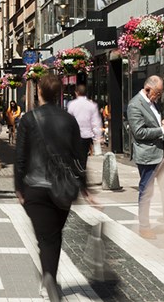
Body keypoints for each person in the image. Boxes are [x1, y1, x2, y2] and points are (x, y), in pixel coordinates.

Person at [15, 74, 86, 301]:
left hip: (35, 187)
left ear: (39, 93)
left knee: (46, 238)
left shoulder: (28, 119)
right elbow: (79, 157)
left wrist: (18, 187)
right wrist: (84, 186)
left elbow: (20, 157)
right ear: (58, 94)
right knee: (53, 236)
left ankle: (49, 279)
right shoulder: (69, 120)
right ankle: (49, 279)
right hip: (62, 187)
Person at [126, 75, 164, 240]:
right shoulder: (135, 105)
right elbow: (139, 132)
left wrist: (162, 122)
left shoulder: (152, 103)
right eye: (158, 92)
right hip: (148, 155)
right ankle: (144, 226)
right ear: (147, 89)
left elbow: (151, 123)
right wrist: (162, 130)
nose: (159, 96)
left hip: (161, 153)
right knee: (146, 191)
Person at [66, 84, 102, 171]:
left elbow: (69, 120)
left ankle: (76, 172)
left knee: (74, 155)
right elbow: (95, 122)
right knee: (83, 156)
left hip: (74, 135)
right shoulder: (92, 105)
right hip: (86, 135)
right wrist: (97, 136)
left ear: (76, 93)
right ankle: (82, 171)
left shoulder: (71, 104)